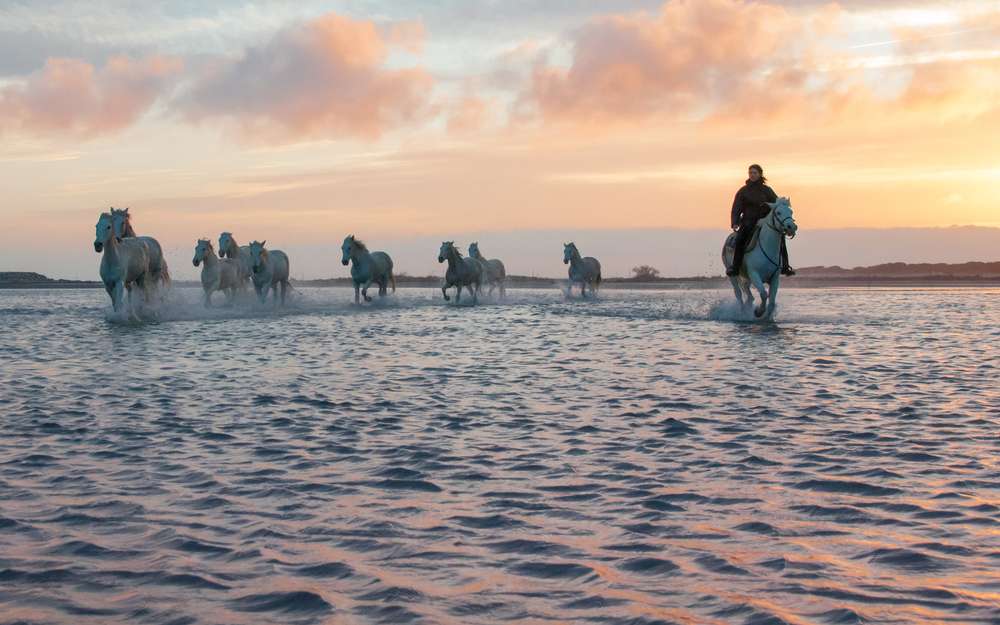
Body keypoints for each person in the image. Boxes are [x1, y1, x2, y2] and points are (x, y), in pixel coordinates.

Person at [726, 163, 794, 277]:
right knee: (740, 239)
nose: (752, 175)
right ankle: (735, 267)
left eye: (754, 173)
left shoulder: (767, 190)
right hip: (748, 221)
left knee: (781, 238)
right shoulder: (743, 191)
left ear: (760, 174)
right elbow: (736, 207)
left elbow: (777, 205)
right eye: (750, 173)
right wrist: (735, 222)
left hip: (765, 221)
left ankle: (785, 266)